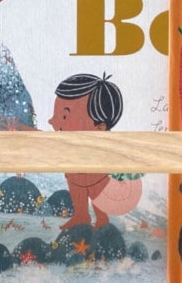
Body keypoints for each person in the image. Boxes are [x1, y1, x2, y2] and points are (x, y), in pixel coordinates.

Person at [48, 73, 142, 230]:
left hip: (119, 188)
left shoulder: (103, 145)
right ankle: (81, 215)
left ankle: (101, 218)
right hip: (92, 176)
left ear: (99, 127)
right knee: (75, 177)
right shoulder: (76, 142)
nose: (53, 121)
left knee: (89, 179)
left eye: (64, 116)